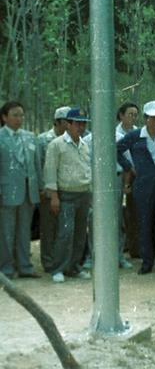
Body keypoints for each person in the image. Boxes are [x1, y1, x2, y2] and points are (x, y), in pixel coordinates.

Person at [117, 100, 155, 276]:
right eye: (153, 117)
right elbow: (117, 150)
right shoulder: (135, 136)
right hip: (143, 185)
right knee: (144, 224)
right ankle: (147, 262)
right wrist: (129, 166)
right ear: (146, 118)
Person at [43, 108, 92, 283]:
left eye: (83, 124)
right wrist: (54, 197)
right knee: (65, 233)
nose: (81, 127)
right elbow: (50, 172)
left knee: (80, 234)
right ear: (68, 124)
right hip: (66, 195)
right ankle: (58, 268)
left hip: (84, 194)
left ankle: (74, 267)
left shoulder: (85, 145)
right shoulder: (57, 145)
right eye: (78, 123)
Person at [0, 101, 44, 279]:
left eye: (21, 115)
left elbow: (37, 164)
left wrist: (40, 186)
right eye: (15, 115)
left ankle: (25, 266)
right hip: (7, 191)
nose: (19, 119)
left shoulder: (30, 136)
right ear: (4, 117)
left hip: (29, 191)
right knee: (6, 232)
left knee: (25, 231)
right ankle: (6, 268)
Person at [37, 106, 71, 273]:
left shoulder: (73, 139)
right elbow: (38, 165)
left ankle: (62, 261)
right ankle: (48, 262)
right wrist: (42, 190)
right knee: (48, 228)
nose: (69, 125)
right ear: (57, 122)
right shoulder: (43, 139)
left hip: (66, 189)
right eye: (66, 122)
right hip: (48, 191)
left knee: (63, 228)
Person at [116, 102, 141, 259]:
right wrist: (128, 167)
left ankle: (134, 248)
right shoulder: (114, 133)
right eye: (130, 114)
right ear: (121, 115)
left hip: (136, 177)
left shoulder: (138, 133)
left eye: (135, 115)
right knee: (119, 214)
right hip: (119, 175)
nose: (133, 117)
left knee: (134, 214)